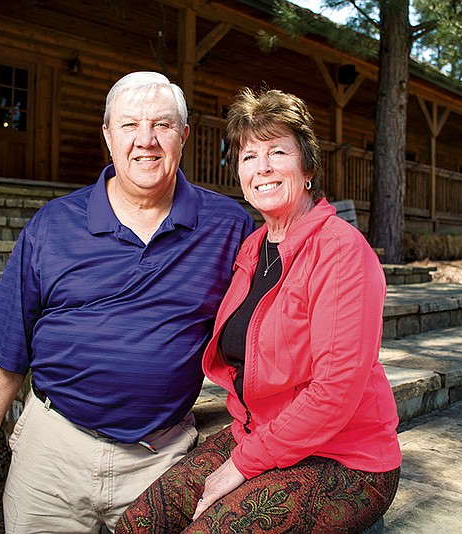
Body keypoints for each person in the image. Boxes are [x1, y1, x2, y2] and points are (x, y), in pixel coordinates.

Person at [0, 71, 255, 533]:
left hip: (162, 462)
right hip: (53, 455)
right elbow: (5, 347)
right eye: (129, 125)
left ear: (185, 136)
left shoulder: (228, 227)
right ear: (108, 136)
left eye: (162, 125)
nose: (146, 140)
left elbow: (266, 331)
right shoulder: (53, 224)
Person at [117, 88, 401, 533]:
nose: (262, 167)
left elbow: (334, 391)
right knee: (140, 523)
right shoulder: (253, 247)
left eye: (277, 152)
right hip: (260, 432)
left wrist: (240, 466)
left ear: (307, 167)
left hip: (345, 458)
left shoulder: (340, 250)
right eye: (249, 156)